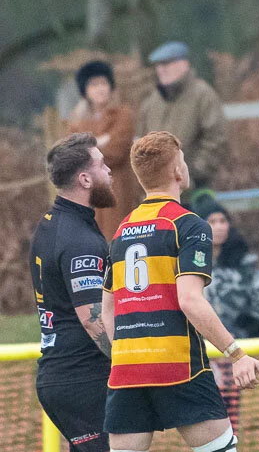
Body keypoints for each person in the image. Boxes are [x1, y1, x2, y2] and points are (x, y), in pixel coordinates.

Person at [104, 131, 259, 452]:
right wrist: (236, 354)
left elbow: (108, 310)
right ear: (179, 171)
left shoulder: (121, 231)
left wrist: (131, 354)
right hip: (178, 366)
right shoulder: (189, 225)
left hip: (127, 371)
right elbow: (189, 300)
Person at [32, 133, 117, 452]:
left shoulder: (52, 223)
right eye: (102, 164)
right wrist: (129, 365)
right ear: (84, 178)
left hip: (63, 376)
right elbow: (92, 319)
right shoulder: (78, 239)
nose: (109, 171)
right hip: (80, 378)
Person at [194, 197, 259, 430]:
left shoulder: (244, 261)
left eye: (223, 220)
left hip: (231, 347)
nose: (219, 226)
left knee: (229, 411)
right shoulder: (190, 261)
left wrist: (248, 328)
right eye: (212, 221)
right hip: (199, 349)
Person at [136, 42, 229, 195]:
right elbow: (141, 142)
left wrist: (195, 174)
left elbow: (217, 138)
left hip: (194, 193)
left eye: (167, 63)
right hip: (157, 193)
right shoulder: (152, 101)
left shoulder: (203, 95)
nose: (161, 69)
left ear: (184, 64)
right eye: (158, 65)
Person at [66, 60, 136, 237]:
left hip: (118, 191)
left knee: (119, 240)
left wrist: (91, 145)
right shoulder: (76, 122)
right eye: (93, 84)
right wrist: (102, 141)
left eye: (104, 83)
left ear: (111, 86)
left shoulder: (123, 114)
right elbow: (74, 156)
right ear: (85, 91)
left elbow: (116, 152)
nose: (100, 89)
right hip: (88, 197)